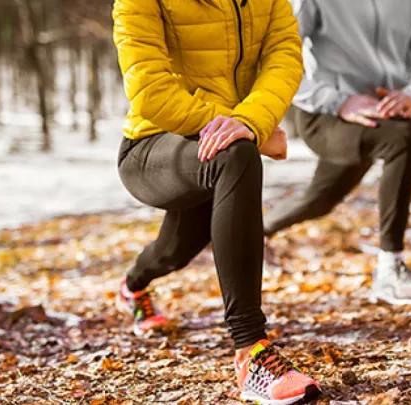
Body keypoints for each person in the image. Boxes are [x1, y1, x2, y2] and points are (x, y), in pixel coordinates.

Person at [111, 0, 320, 403]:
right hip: (152, 146)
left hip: (222, 141)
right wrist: (246, 130)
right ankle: (252, 351)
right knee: (235, 154)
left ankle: (133, 287)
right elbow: (150, 90)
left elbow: (284, 57)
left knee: (173, 251)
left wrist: (250, 122)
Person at [265, 0, 411, 306]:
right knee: (407, 136)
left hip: (380, 115)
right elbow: (277, 58)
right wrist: (338, 101)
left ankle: (258, 230)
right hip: (325, 116)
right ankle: (390, 269)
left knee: (320, 200)